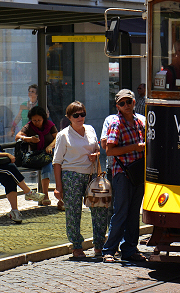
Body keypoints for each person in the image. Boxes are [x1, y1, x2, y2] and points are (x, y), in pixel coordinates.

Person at [52, 101, 108, 258]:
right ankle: (76, 246)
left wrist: (95, 156)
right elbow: (56, 162)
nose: (80, 117)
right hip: (71, 175)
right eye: (76, 115)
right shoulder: (63, 135)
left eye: (82, 114)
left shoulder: (90, 129)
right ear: (69, 117)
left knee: (99, 209)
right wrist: (58, 187)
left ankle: (99, 244)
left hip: (91, 175)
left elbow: (97, 150)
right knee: (73, 211)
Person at [102, 89, 147, 263]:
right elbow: (109, 150)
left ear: (134, 102)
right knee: (120, 212)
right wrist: (134, 147)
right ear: (117, 106)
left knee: (134, 213)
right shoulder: (116, 123)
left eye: (129, 102)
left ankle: (130, 249)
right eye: (122, 103)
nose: (126, 105)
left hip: (137, 173)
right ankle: (109, 250)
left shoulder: (140, 122)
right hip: (122, 173)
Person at [15, 106, 63, 210]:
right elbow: (18, 136)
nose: (37, 122)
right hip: (37, 155)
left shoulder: (50, 125)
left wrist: (50, 146)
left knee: (48, 163)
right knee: (47, 163)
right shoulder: (29, 126)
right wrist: (28, 139)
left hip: (50, 152)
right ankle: (45, 194)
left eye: (39, 120)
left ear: (44, 119)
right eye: (34, 120)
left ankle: (46, 194)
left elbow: (58, 137)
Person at [0, 141, 46, 223]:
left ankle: (14, 211)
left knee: (10, 179)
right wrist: (6, 154)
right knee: (10, 168)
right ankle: (28, 192)